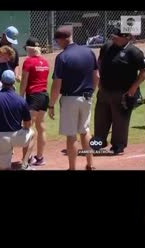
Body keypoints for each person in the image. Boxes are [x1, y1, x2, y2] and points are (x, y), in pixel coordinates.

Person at [48, 26, 98, 170]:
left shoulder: (62, 57)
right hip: (87, 97)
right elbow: (97, 76)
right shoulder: (89, 51)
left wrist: (51, 105)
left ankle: (72, 167)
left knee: (71, 135)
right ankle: (90, 164)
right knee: (85, 131)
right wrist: (91, 93)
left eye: (57, 41)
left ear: (61, 39)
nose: (57, 43)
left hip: (70, 99)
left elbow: (57, 84)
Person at [94, 28, 145, 154]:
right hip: (104, 90)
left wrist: (134, 87)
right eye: (113, 36)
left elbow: (144, 71)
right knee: (100, 119)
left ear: (126, 38)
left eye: (116, 37)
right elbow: (99, 62)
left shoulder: (134, 52)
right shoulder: (107, 47)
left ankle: (118, 146)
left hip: (123, 92)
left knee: (120, 121)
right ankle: (98, 143)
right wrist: (99, 80)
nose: (113, 38)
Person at [0, 70, 35, 170]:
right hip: (18, 136)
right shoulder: (21, 100)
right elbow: (28, 124)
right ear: (13, 82)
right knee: (33, 134)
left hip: (0, 138)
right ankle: (24, 164)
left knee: (4, 168)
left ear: (1, 82)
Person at [19, 37, 50, 166]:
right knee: (41, 126)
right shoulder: (45, 62)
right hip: (44, 96)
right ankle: (40, 157)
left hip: (33, 96)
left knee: (28, 128)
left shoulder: (28, 62)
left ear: (29, 48)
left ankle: (27, 159)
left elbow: (24, 81)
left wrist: (20, 97)